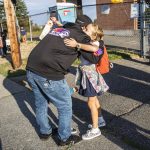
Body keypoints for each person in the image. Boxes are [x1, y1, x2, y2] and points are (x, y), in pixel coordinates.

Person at [26, 15, 101, 146]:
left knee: (41, 103)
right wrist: (99, 46)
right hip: (49, 73)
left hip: (31, 69)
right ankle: (65, 138)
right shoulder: (81, 35)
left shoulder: (61, 29)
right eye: (90, 27)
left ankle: (45, 132)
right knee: (65, 106)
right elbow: (94, 58)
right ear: (84, 27)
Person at [64, 23, 109, 140]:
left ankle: (95, 129)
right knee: (94, 99)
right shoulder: (95, 42)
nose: (83, 29)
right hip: (90, 74)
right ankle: (100, 121)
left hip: (90, 75)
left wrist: (77, 44)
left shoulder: (94, 43)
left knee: (91, 102)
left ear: (93, 36)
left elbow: (95, 50)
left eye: (86, 29)